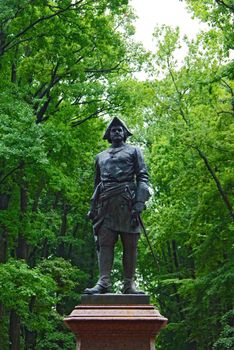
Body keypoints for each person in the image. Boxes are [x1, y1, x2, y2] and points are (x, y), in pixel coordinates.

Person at [84, 117, 150, 294]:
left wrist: (139, 202)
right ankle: (104, 281)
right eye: (113, 129)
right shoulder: (100, 157)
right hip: (105, 204)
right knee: (105, 242)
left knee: (130, 244)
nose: (116, 131)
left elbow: (143, 177)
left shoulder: (134, 151)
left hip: (127, 202)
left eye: (120, 129)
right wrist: (93, 207)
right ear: (108, 134)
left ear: (125, 133)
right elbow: (97, 183)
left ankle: (129, 284)